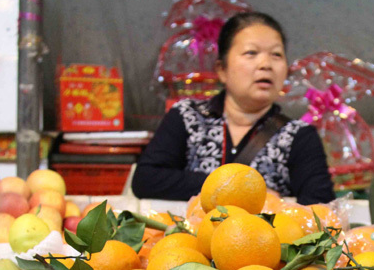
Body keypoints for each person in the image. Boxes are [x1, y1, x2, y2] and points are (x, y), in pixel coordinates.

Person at [132, 12, 335, 204]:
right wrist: (239, 190)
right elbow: (146, 180)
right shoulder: (186, 117)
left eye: (276, 54)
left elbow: (321, 207)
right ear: (222, 70)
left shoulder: (299, 136)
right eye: (251, 53)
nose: (266, 64)